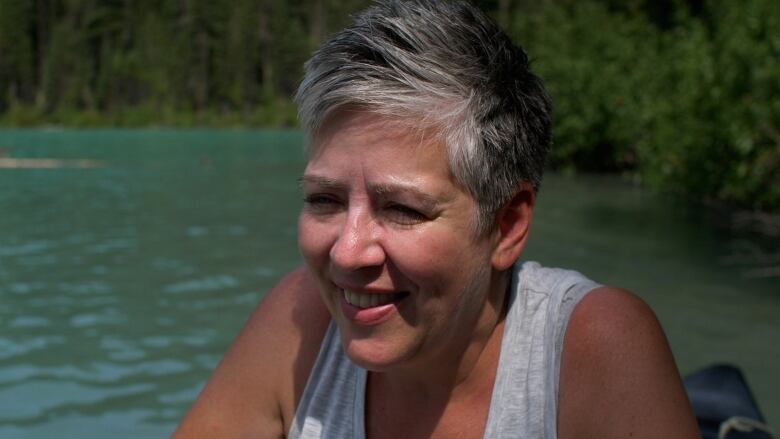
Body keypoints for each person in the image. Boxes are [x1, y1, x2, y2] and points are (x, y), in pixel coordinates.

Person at [173, 1, 700, 437]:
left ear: (507, 225)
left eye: (402, 209)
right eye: (324, 200)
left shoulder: (592, 349)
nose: (346, 252)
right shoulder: (299, 321)